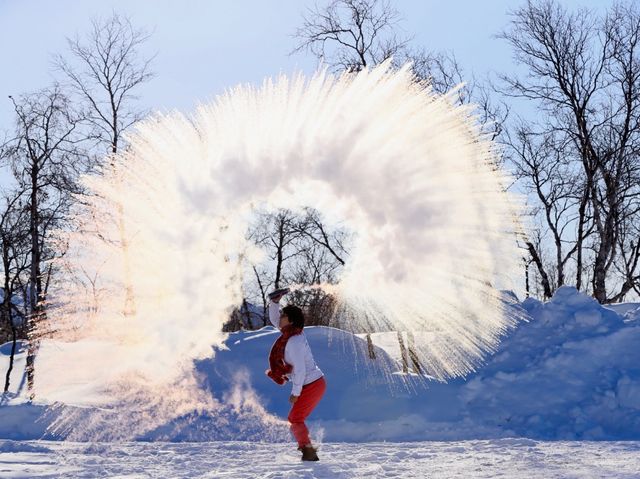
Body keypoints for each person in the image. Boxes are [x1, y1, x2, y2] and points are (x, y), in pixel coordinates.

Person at [266, 289, 326, 462]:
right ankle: (307, 449)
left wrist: (296, 393)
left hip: (312, 384)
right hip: (311, 383)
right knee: (295, 418)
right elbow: (275, 319)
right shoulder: (289, 334)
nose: (280, 318)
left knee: (295, 418)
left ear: (290, 320)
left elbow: (299, 370)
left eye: (283, 315)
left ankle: (308, 451)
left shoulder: (293, 341)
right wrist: (274, 303)